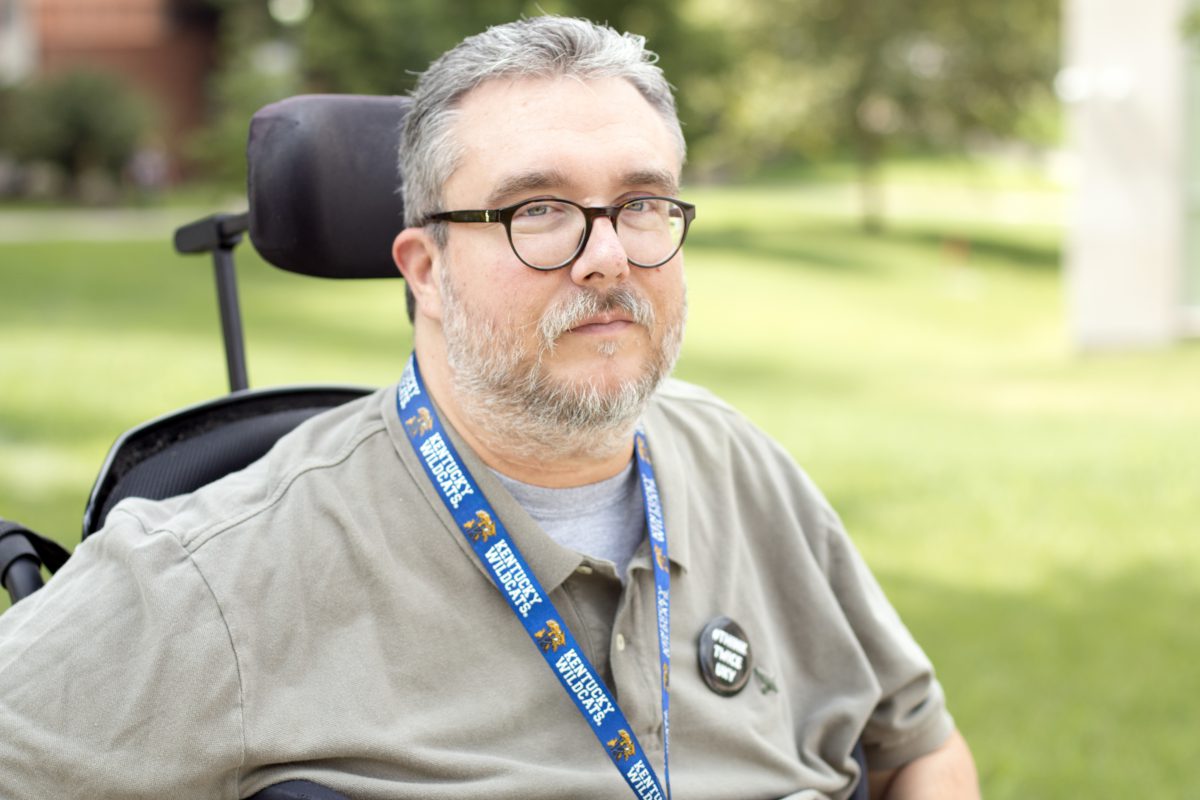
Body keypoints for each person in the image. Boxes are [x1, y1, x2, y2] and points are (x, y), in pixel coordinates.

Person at [0, 16, 979, 800]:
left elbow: (918, 748)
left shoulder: (741, 465)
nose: (607, 255)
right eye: (538, 211)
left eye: (641, 203)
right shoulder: (218, 575)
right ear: (426, 270)